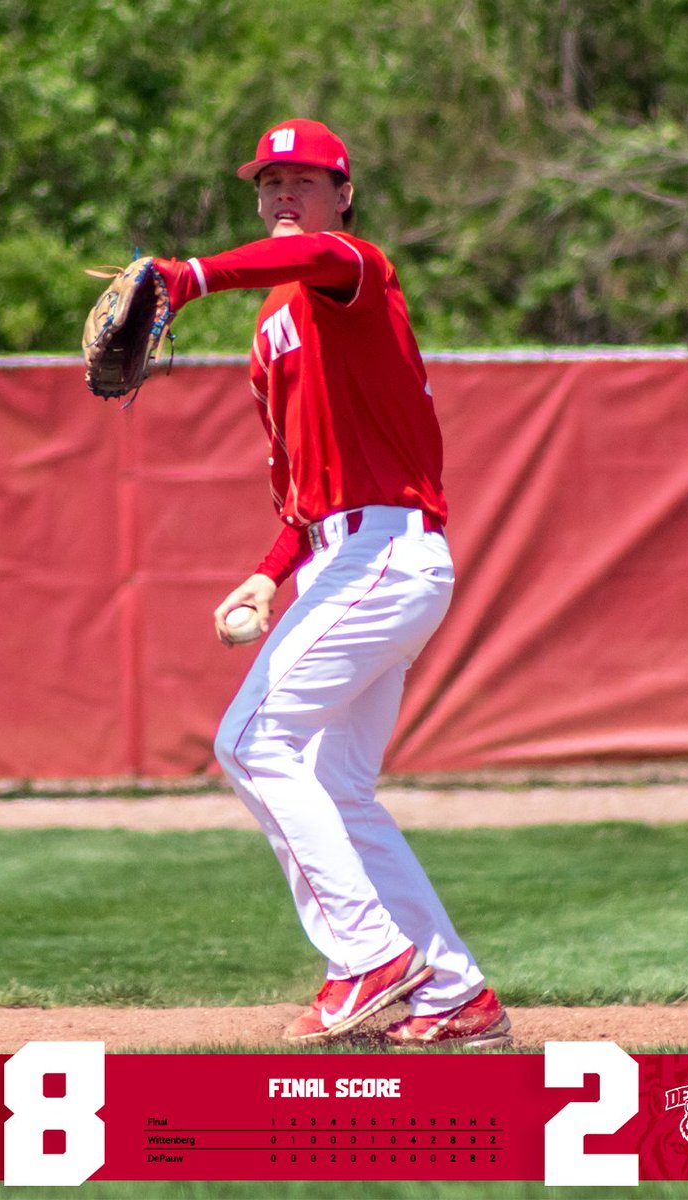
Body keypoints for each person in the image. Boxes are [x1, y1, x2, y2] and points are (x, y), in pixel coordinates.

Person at [154, 118, 511, 1049]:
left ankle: (367, 957)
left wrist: (186, 278)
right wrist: (271, 576)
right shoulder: (271, 334)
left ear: (342, 194)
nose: (283, 195)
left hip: (388, 553)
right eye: (269, 182)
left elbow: (314, 254)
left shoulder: (352, 269)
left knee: (253, 741)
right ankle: (453, 994)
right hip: (347, 560)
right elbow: (302, 497)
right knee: (336, 782)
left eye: (305, 180)